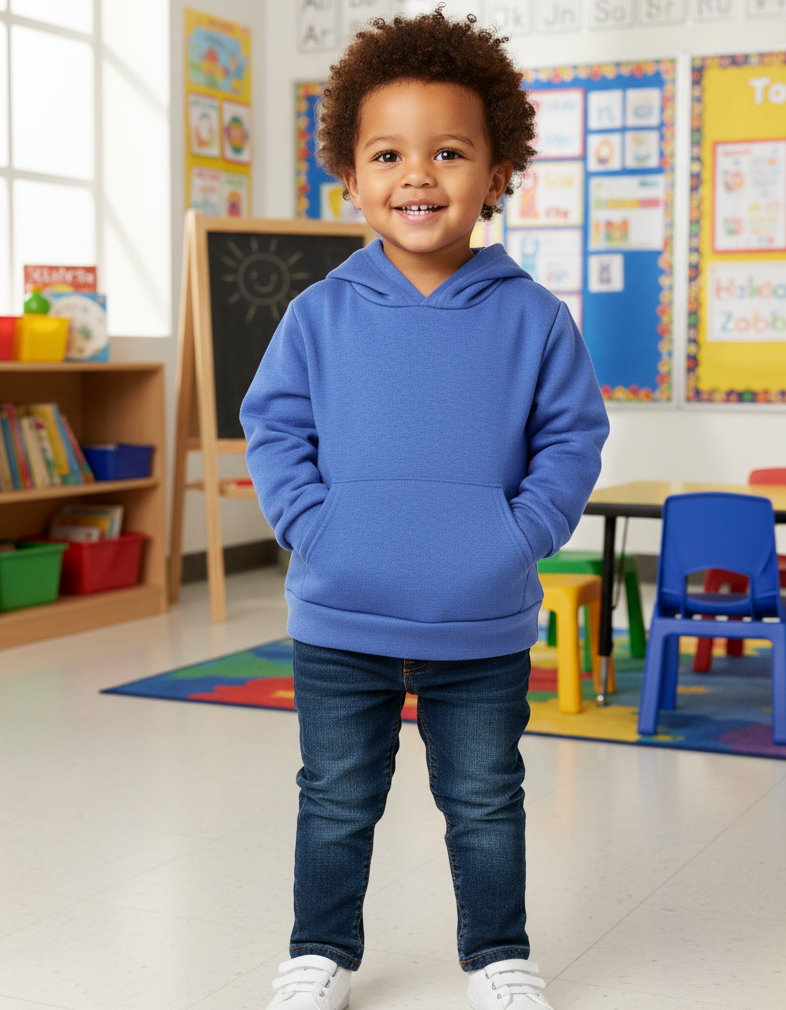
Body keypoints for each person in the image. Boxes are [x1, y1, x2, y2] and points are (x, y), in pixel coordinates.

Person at [240, 8, 609, 1009]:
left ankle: (497, 952)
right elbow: (273, 430)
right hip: (340, 614)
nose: (417, 174)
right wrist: (315, 529)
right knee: (336, 800)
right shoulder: (317, 312)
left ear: (496, 175)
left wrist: (518, 534)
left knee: (485, 801)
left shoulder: (536, 317)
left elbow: (572, 441)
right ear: (351, 178)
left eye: (449, 152)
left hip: (482, 621)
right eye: (388, 153)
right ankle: (319, 950)